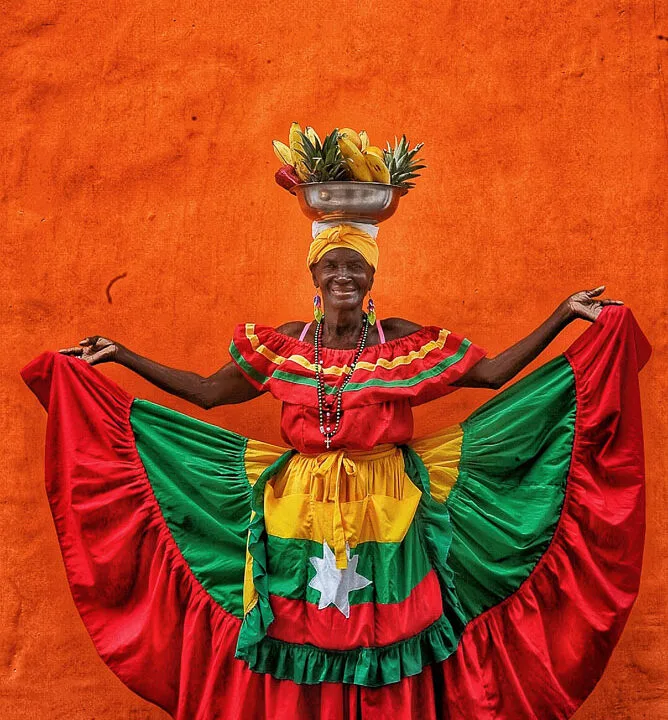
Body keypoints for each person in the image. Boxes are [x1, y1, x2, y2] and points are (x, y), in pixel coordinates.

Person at [22, 222, 651, 720]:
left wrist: (563, 314)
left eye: (355, 266)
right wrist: (122, 357)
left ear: (371, 276)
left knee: (391, 636)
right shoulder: (289, 343)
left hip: (392, 507)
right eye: (332, 266)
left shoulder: (400, 340)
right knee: (307, 636)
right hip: (300, 509)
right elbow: (209, 392)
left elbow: (489, 375)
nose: (343, 276)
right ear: (315, 276)